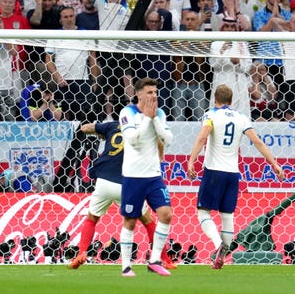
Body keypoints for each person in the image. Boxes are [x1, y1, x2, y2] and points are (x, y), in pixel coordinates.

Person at [187, 84, 285, 269]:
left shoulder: (211, 115)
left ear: (215, 100)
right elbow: (257, 141)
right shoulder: (241, 118)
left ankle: (218, 247)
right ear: (231, 101)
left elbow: (202, 137)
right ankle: (222, 255)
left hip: (214, 171)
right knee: (227, 216)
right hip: (233, 174)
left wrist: (192, 160)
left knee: (203, 212)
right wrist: (275, 164)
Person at [68, 121, 175, 270]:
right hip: (125, 183)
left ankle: (81, 253)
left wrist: (101, 132)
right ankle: (164, 259)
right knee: (148, 221)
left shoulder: (113, 125)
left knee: (92, 218)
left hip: (103, 181)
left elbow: (85, 128)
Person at [119, 77, 174, 277]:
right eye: (149, 92)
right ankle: (126, 266)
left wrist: (155, 119)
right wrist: (147, 119)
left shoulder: (159, 113)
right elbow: (133, 140)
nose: (154, 96)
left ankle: (155, 260)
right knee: (130, 221)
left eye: (155, 92)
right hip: (133, 176)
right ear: (139, 94)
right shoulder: (127, 112)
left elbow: (167, 139)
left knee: (166, 214)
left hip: (153, 175)